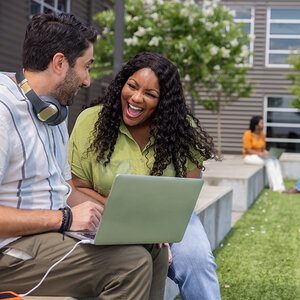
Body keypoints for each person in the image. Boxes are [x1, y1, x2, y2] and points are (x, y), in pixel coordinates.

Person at [0, 13, 168, 299]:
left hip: (50, 237)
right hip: (11, 253)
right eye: (86, 67)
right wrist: (64, 219)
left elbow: (67, 191)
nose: (88, 80)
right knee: (130, 265)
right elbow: (66, 212)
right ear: (60, 63)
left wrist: (134, 222)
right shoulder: (3, 112)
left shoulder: (52, 113)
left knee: (154, 250)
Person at [69, 52, 222, 300]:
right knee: (137, 261)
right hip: (108, 215)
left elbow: (188, 192)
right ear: (122, 83)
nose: (136, 98)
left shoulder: (182, 131)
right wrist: (133, 222)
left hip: (170, 215)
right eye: (132, 86)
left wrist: (159, 228)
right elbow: (78, 186)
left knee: (197, 261)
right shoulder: (90, 121)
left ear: (164, 102)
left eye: (150, 95)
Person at [243, 116, 285, 191]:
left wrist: (270, 153)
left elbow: (263, 149)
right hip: (248, 157)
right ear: (256, 125)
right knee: (269, 161)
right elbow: (248, 150)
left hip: (260, 156)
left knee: (275, 160)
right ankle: (275, 187)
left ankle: (281, 186)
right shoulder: (248, 134)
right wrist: (260, 153)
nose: (263, 125)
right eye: (262, 123)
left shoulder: (262, 135)